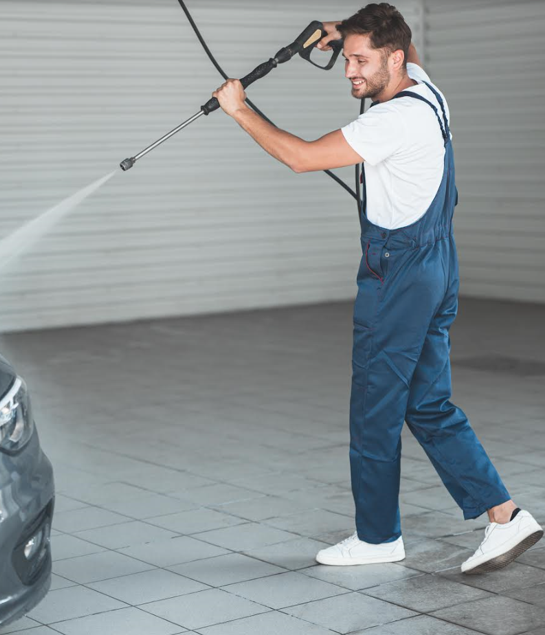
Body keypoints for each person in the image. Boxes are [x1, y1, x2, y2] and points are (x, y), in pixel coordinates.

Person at [211, 3, 542, 574]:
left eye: (361, 60)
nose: (349, 71)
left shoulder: (389, 121)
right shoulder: (424, 87)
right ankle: (506, 517)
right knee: (426, 402)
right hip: (436, 263)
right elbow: (405, 45)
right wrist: (343, 31)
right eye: (346, 58)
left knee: (375, 408)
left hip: (399, 274)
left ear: (390, 58)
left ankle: (378, 537)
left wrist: (240, 110)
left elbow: (302, 157)